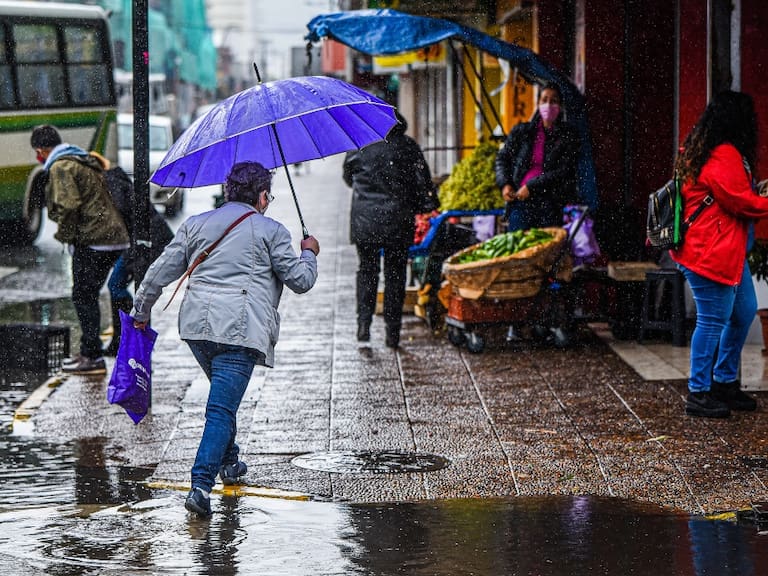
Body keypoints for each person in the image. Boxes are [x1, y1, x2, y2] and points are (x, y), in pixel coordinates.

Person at [130, 161, 319, 517]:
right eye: (269, 195)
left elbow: (158, 273)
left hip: (198, 330)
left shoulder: (195, 225)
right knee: (220, 409)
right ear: (263, 196)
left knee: (223, 400)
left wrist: (141, 312)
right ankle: (200, 485)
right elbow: (301, 281)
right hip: (240, 332)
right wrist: (309, 251)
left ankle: (230, 463)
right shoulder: (272, 232)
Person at [671, 90, 768, 418]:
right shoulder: (723, 152)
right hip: (710, 252)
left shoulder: (708, 148)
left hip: (724, 250)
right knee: (712, 320)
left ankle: (724, 381)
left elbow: (735, 194)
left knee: (743, 313)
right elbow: (738, 201)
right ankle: (699, 392)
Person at [31, 125, 130, 375]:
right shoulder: (81, 159)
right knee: (92, 293)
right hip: (113, 235)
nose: (37, 158)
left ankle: (92, 356)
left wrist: (66, 237)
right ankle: (97, 349)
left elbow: (68, 205)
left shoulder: (61, 166)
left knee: (83, 295)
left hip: (94, 239)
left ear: (42, 151)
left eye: (37, 152)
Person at [343, 112, 436, 348]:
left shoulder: (359, 145)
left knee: (367, 271)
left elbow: (348, 177)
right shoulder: (407, 146)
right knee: (395, 275)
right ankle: (392, 332)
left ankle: (363, 325)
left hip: (366, 220)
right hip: (398, 219)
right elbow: (422, 182)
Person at [87, 152, 174, 356]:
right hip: (142, 241)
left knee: (118, 286)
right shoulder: (112, 181)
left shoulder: (111, 184)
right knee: (122, 287)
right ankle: (126, 339)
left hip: (148, 242)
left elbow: (122, 216)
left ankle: (129, 337)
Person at [494, 82, 580, 231]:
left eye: (554, 101)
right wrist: (505, 184)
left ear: (560, 106)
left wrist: (532, 186)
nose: (548, 104)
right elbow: (502, 158)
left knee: (545, 248)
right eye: (544, 100)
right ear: (538, 103)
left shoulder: (568, 136)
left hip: (550, 204)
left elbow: (565, 171)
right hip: (520, 201)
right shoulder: (522, 132)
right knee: (519, 247)